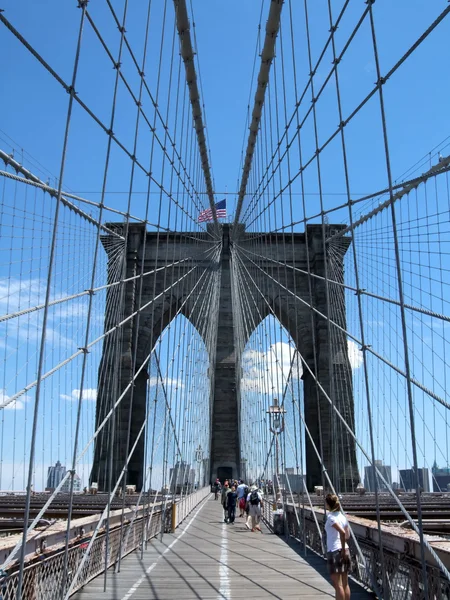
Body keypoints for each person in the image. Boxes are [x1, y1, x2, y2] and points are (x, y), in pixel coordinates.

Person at [325, 493, 351, 600]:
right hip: (345, 549)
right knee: (345, 583)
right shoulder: (342, 517)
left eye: (326, 502)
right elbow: (348, 535)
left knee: (337, 584)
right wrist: (344, 548)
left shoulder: (331, 518)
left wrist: (342, 549)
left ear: (329, 504)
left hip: (335, 550)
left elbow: (342, 533)